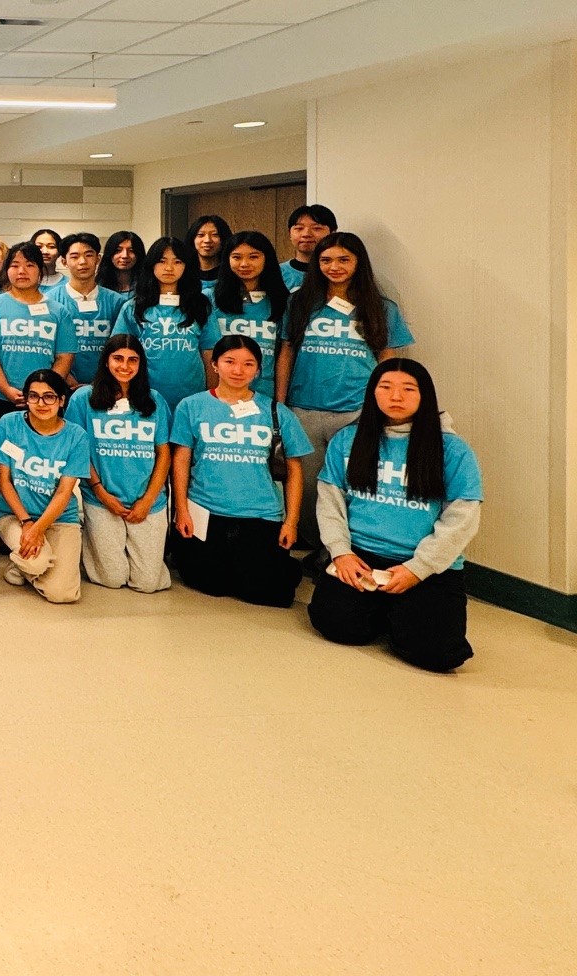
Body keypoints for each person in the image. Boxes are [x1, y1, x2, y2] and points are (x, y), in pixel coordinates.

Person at [309, 359, 481, 673]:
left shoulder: (453, 449)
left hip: (424, 563)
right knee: (336, 625)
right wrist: (341, 553)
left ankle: (399, 613)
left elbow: (463, 516)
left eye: (408, 389)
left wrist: (419, 568)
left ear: (425, 395)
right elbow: (330, 502)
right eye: (385, 387)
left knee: (437, 655)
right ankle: (385, 611)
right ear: (372, 393)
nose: (396, 396)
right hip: (361, 557)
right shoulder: (348, 440)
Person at [169, 336, 312, 607]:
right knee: (210, 584)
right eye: (230, 362)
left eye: (248, 364)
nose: (238, 370)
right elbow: (181, 460)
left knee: (265, 592)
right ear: (214, 364)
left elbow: (294, 470)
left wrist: (291, 522)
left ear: (258, 370)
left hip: (260, 514)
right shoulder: (191, 406)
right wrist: (182, 510)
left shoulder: (276, 412)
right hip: (207, 511)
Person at [277, 232, 415, 484]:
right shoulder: (299, 302)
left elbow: (387, 358)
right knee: (306, 486)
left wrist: (384, 404)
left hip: (358, 409)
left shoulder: (382, 307)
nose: (334, 267)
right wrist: (280, 403)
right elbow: (287, 351)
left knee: (354, 482)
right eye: (326, 260)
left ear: (358, 262)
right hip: (305, 409)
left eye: (344, 260)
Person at [66, 337, 173, 593]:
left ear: (141, 364)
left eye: (132, 360)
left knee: (148, 584)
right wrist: (101, 493)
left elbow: (164, 453)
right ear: (106, 361)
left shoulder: (155, 400)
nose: (125, 366)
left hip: (147, 500)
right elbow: (78, 453)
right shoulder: (83, 398)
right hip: (101, 498)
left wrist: (148, 500)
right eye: (118, 359)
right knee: (111, 579)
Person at [0, 240, 67, 518]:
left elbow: (64, 356)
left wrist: (44, 395)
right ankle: (4, 519)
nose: (21, 271)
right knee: (1, 462)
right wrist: (6, 389)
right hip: (0, 398)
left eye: (29, 265)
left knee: (36, 462)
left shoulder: (58, 310)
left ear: (41, 270)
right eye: (14, 265)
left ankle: (37, 515)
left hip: (44, 404)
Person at [0, 369, 91, 604]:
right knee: (37, 562)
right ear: (26, 399)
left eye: (49, 397)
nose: (41, 403)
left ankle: (22, 567)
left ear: (61, 400)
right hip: (16, 516)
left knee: (63, 594)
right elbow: (3, 481)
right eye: (34, 396)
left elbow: (64, 491)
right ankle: (32, 564)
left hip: (59, 518)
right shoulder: (9, 424)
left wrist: (38, 529)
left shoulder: (76, 436)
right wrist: (27, 523)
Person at [114, 237, 210, 405]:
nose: (169, 268)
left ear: (186, 266)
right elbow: (119, 351)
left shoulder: (200, 306)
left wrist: (211, 395)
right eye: (162, 261)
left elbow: (209, 351)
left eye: (177, 262)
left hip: (192, 393)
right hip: (144, 393)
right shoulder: (133, 307)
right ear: (151, 264)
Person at [204, 231, 291, 397]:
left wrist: (279, 402)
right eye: (236, 257)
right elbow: (207, 352)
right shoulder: (210, 297)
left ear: (266, 259)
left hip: (264, 392)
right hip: (222, 392)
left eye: (253, 257)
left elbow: (284, 353)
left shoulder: (281, 300)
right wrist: (213, 398)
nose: (244, 264)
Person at [56, 232, 127, 383]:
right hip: (62, 382)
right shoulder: (51, 301)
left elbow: (123, 347)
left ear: (98, 259)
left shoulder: (117, 302)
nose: (82, 262)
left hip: (108, 383)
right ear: (64, 262)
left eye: (89, 255)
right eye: (74, 257)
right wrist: (64, 376)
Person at [281, 203, 337, 291]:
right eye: (299, 228)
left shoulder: (339, 272)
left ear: (332, 233)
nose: (306, 234)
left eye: (316, 228)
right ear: (289, 234)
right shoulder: (277, 273)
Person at [186, 214, 232, 285]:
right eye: (201, 235)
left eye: (215, 235)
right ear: (192, 239)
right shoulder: (183, 273)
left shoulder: (233, 273)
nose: (207, 240)